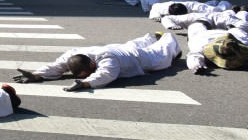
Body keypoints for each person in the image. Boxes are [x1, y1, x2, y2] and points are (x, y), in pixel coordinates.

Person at [13, 31, 180, 90]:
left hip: (138, 58)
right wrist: (36, 75)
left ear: (93, 64)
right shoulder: (74, 54)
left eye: (88, 74)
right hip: (120, 48)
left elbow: (106, 74)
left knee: (163, 54)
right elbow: (57, 66)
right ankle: (151, 37)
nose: (86, 77)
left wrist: (86, 84)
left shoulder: (108, 59)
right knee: (134, 43)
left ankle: (164, 36)